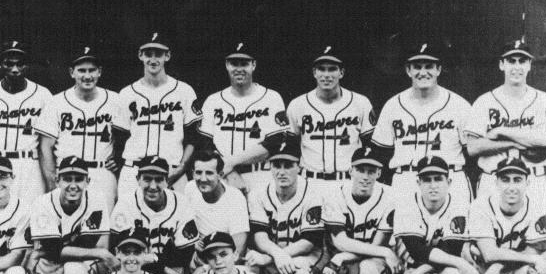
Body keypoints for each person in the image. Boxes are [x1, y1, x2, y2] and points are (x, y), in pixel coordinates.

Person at [22, 156, 116, 274]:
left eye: (79, 179)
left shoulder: (96, 200)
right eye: (67, 179)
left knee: (75, 270)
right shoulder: (43, 202)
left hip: (77, 264)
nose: (73, 185)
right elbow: (54, 250)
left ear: (87, 181)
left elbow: (100, 244)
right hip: (50, 265)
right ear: (57, 181)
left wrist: (42, 251)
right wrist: (98, 254)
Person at [244, 136, 336, 274]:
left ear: (299, 166)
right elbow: (260, 237)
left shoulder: (313, 193)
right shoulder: (258, 194)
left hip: (307, 257)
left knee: (298, 272)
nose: (282, 171)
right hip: (274, 256)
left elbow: (309, 242)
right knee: (249, 266)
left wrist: (272, 257)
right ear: (270, 167)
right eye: (277, 165)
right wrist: (277, 256)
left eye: (288, 165)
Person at [371, 42, 473, 203]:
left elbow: (472, 151)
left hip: (449, 178)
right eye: (417, 67)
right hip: (406, 179)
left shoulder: (459, 105)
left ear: (438, 69)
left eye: (429, 66)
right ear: (408, 70)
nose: (423, 72)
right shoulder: (393, 105)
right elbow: (381, 153)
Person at [465, 40, 546, 215]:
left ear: (529, 65)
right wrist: (517, 142)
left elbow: (543, 139)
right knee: (491, 235)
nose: (517, 67)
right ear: (502, 65)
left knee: (540, 239)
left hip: (533, 177)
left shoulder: (544, 99)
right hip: (494, 179)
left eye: (522, 61)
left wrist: (501, 132)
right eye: (511, 61)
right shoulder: (484, 101)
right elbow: (473, 147)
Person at [322, 147, 399, 274]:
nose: (365, 176)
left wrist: (343, 257)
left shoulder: (390, 196)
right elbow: (339, 241)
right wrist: (384, 252)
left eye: (371, 171)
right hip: (349, 263)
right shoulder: (334, 195)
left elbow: (376, 245)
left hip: (371, 261)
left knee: (369, 268)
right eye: (361, 169)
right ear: (351, 171)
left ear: (379, 173)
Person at [36, 47, 130, 206]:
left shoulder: (115, 100)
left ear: (99, 72)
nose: (87, 76)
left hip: (102, 172)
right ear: (72, 72)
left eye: (92, 70)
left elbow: (128, 137)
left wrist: (119, 158)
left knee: (104, 226)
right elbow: (46, 148)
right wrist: (53, 182)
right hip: (67, 174)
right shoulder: (56, 102)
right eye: (82, 70)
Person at [117, 33, 201, 201]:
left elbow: (194, 136)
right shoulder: (127, 93)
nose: (153, 59)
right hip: (134, 170)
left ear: (167, 56)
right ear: (140, 55)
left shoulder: (184, 90)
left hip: (172, 170)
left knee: (176, 222)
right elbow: (119, 136)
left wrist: (182, 167)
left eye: (158, 54)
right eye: (148, 54)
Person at [198, 42, 288, 193]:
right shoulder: (213, 101)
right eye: (234, 63)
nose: (239, 69)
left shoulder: (272, 97)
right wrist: (231, 172)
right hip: (224, 177)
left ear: (253, 65)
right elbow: (205, 143)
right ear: (227, 65)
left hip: (260, 175)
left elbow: (274, 143)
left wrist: (230, 163)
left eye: (244, 63)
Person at [0, 40, 52, 203]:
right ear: (0, 65)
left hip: (29, 164)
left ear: (27, 66)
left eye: (20, 64)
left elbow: (47, 142)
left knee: (30, 218)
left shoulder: (43, 95)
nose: (15, 69)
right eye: (9, 64)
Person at [286, 47, 374, 192]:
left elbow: (370, 146)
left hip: (347, 181)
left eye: (332, 69)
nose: (326, 75)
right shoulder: (298, 105)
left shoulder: (360, 103)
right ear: (314, 72)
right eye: (321, 69)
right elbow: (289, 146)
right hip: (310, 181)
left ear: (341, 73)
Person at [111, 156, 199, 274]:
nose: (153, 186)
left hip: (171, 270)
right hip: (135, 267)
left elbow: (185, 253)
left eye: (158, 179)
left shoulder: (181, 203)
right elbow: (117, 249)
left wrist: (153, 261)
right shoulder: (126, 202)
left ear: (166, 180)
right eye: (147, 179)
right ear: (138, 179)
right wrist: (162, 267)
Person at [183, 150, 250, 256]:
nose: (203, 179)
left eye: (209, 173)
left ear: (220, 175)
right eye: (198, 172)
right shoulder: (190, 188)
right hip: (200, 254)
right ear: (193, 173)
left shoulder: (235, 198)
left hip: (225, 257)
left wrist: (209, 267)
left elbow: (238, 249)